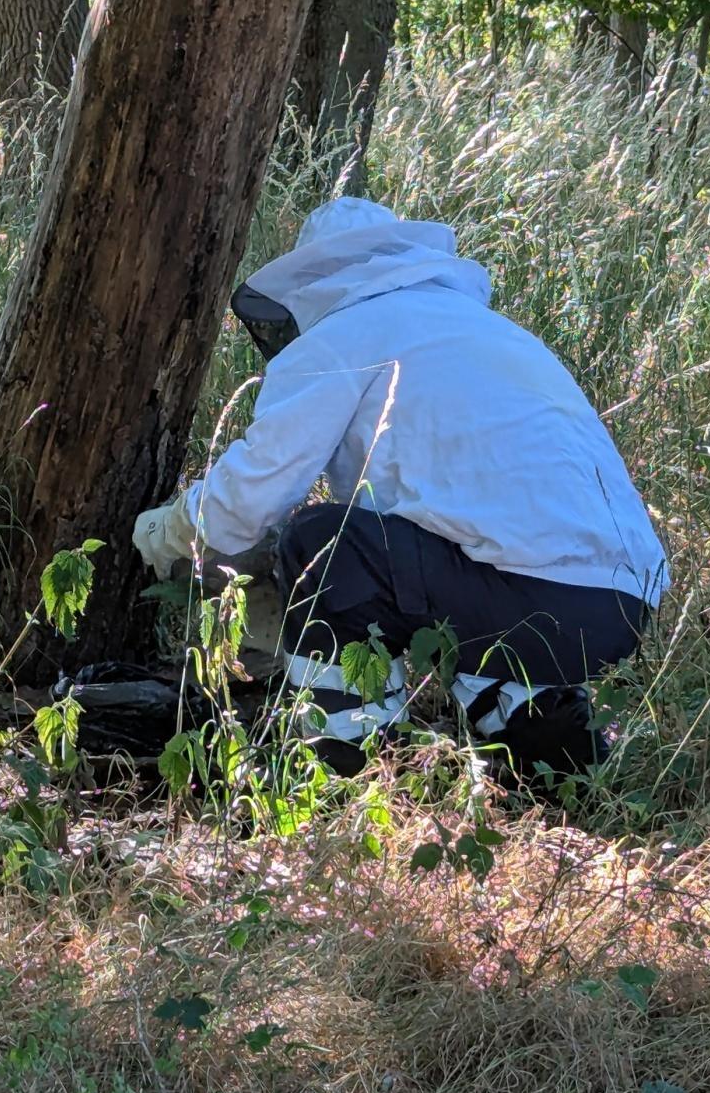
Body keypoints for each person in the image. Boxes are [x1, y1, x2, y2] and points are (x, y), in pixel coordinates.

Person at [133, 197, 668, 779]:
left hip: (526, 597)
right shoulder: (485, 331)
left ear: (315, 278)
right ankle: (551, 755)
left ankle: (342, 767)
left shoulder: (346, 333)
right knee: (444, 564)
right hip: (620, 608)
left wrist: (171, 529)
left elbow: (250, 494)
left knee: (324, 544)